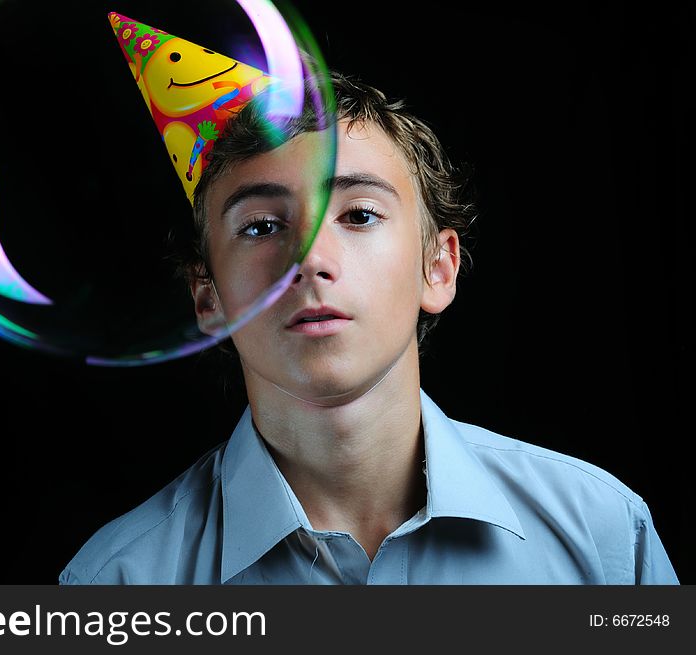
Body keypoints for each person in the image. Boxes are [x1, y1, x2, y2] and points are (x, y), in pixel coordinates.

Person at [59, 68, 679, 585]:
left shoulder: (602, 537)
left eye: (358, 213)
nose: (310, 260)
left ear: (438, 266)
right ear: (208, 296)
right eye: (260, 227)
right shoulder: (117, 583)